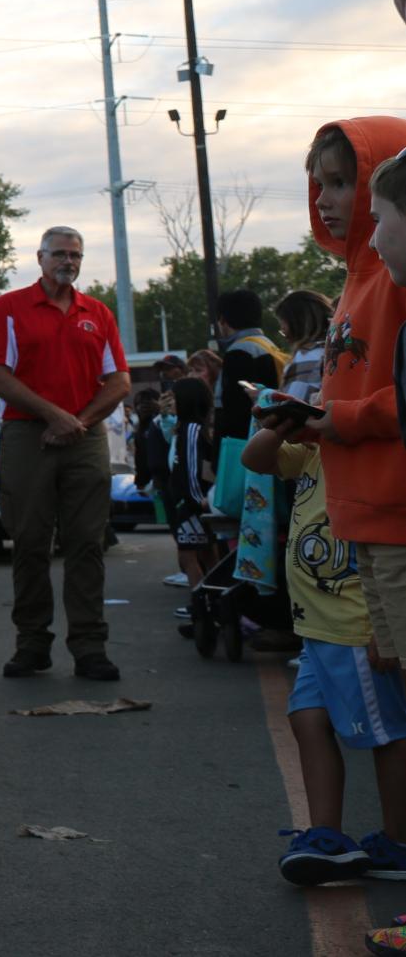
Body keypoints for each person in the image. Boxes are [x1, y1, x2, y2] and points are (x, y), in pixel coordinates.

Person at [243, 394, 406, 888]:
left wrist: (386, 630)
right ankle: (325, 835)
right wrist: (283, 423)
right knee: (306, 718)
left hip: (355, 622)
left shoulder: (366, 456)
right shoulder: (312, 451)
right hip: (316, 625)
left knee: (386, 733)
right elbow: (255, 458)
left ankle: (398, 842)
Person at [0, 225, 130, 681]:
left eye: (75, 255)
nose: (68, 262)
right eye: (60, 254)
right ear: (40, 258)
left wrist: (75, 422)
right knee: (28, 543)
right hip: (27, 436)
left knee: (87, 543)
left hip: (84, 437)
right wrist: (53, 416)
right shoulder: (10, 308)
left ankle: (89, 647)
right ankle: (32, 644)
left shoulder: (96, 313)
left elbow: (119, 381)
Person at [302, 121, 406, 676]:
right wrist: (311, 417)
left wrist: (339, 417)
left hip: (396, 514)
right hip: (364, 518)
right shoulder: (358, 275)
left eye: (341, 183)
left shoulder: (397, 272)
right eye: (318, 185)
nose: (323, 201)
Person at [166, 378, 221, 597]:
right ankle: (216, 602)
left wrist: (197, 501)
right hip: (197, 503)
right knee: (209, 556)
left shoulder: (190, 430)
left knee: (189, 558)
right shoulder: (194, 428)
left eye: (174, 399)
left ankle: (202, 605)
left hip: (193, 505)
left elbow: (192, 469)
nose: (171, 404)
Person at [216, 290, 287, 444]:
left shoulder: (238, 351)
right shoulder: (268, 345)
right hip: (270, 436)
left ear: (222, 320)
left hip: (244, 441)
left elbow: (234, 406)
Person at [276, 289, 335, 402]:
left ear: (297, 325)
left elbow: (293, 404)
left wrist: (263, 396)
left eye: (284, 330)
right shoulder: (333, 349)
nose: (285, 336)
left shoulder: (306, 355)